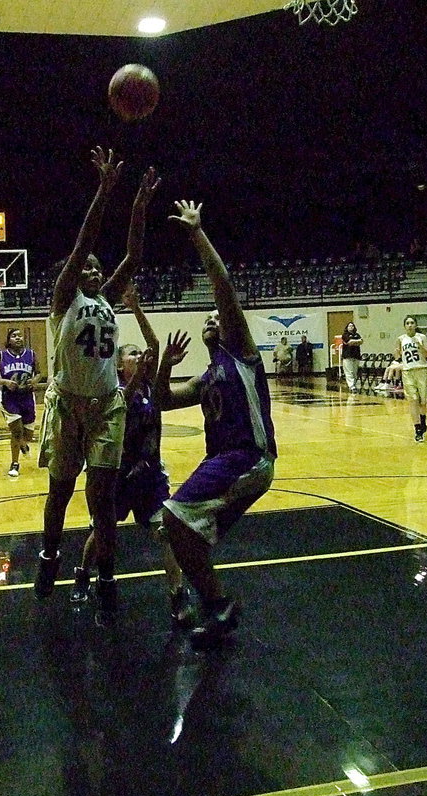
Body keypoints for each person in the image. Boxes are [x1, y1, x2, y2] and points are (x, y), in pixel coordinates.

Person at [33, 147, 159, 629]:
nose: (91, 270)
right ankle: (49, 557)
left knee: (102, 501)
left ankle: (107, 578)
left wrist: (139, 206)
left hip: (108, 405)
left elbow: (136, 255)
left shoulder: (106, 300)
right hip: (67, 406)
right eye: (83, 266)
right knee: (60, 492)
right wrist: (104, 191)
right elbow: (86, 236)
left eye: (94, 267)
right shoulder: (65, 298)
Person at [155, 199, 277, 649]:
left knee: (173, 514)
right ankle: (219, 607)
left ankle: (216, 603)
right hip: (226, 462)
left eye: (215, 317)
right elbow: (164, 400)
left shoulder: (242, 354)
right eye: (205, 317)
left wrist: (195, 232)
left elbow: (222, 284)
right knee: (181, 534)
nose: (212, 319)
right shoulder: (205, 377)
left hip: (248, 458)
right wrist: (164, 366)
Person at [70, 282, 191, 626]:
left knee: (165, 532)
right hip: (117, 475)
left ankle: (177, 594)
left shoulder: (151, 385)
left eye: (140, 354)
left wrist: (135, 306)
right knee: (100, 534)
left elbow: (154, 345)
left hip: (150, 474)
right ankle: (82, 573)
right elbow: (149, 355)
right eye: (132, 354)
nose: (140, 356)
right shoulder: (120, 391)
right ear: (119, 364)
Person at [0, 326, 42, 477]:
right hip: (9, 397)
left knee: (28, 436)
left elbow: (39, 373)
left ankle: (23, 445)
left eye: (20, 335)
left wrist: (35, 380)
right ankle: (15, 464)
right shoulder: (2, 356)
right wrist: (5, 382)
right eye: (14, 336)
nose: (18, 338)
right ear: (8, 340)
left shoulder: (31, 354)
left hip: (27, 397)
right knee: (17, 431)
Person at [393, 316, 427, 442]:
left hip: (422, 370)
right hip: (408, 372)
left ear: (415, 325)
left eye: (412, 323)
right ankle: (417, 429)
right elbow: (396, 356)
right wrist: (396, 353)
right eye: (407, 323)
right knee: (413, 400)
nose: (410, 325)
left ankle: (423, 420)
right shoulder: (400, 339)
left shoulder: (422, 337)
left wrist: (420, 347)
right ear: (404, 326)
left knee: (423, 401)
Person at [340, 322, 363, 391]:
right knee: (349, 371)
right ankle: (351, 385)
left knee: (355, 371)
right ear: (347, 327)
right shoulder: (345, 335)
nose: (351, 327)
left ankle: (354, 384)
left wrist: (354, 341)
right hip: (347, 355)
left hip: (356, 355)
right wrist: (356, 341)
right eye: (349, 326)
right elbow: (349, 342)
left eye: (352, 326)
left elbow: (361, 341)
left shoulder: (357, 334)